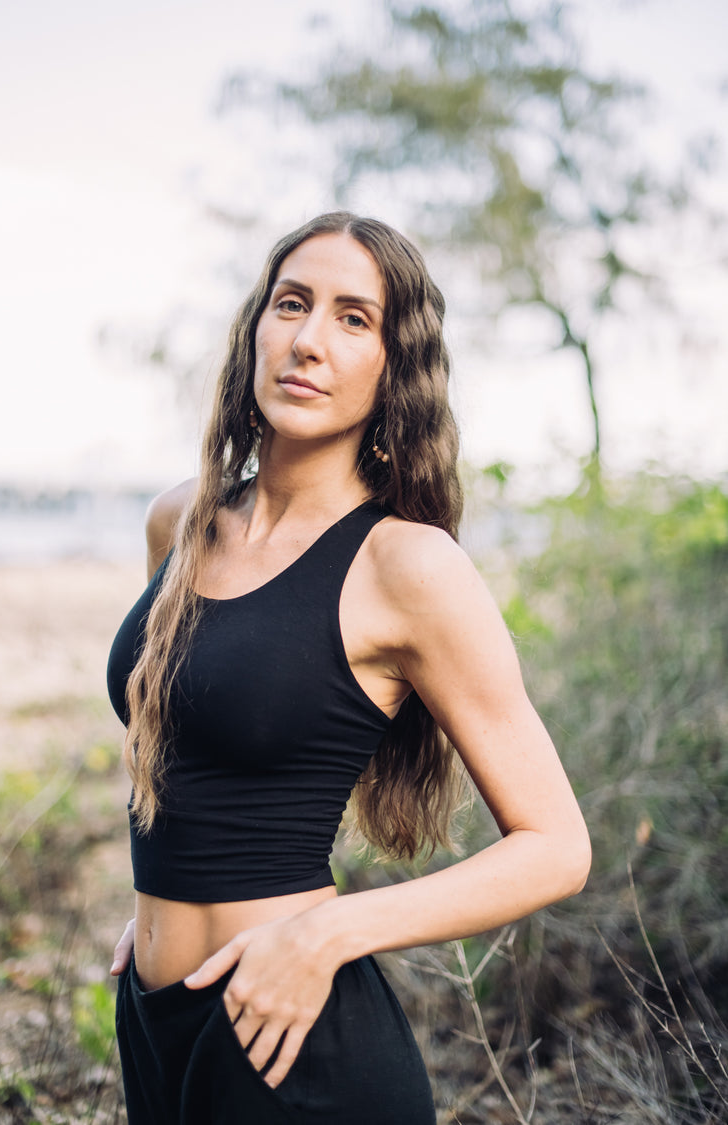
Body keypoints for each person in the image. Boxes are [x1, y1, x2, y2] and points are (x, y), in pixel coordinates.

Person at [106, 211, 590, 1124]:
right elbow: (180, 742)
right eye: (292, 303)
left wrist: (330, 932)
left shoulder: (408, 565)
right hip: (154, 1016)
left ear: (392, 368)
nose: (309, 339)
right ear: (256, 328)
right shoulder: (177, 522)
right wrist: (166, 904)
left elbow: (558, 847)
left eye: (353, 318)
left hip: (292, 1033)